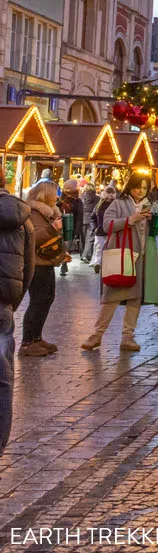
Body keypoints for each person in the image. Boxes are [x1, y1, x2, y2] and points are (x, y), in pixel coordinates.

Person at [82, 174, 154, 353]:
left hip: (140, 257)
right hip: (121, 255)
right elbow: (107, 225)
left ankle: (128, 336)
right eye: (138, 187)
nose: (141, 191)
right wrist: (131, 220)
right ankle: (97, 335)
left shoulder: (149, 205)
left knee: (134, 298)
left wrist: (155, 221)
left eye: (145, 188)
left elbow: (153, 231)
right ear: (130, 187)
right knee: (111, 296)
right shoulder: (118, 204)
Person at [0, 177, 30, 456]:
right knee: (3, 376)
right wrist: (12, 301)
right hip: (3, 303)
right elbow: (29, 269)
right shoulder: (23, 218)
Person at [19, 181, 63, 356]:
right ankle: (27, 342)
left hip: (46, 262)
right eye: (55, 193)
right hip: (36, 264)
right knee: (38, 301)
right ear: (45, 195)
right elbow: (33, 238)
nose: (57, 196)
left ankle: (36, 337)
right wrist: (52, 229)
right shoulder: (33, 213)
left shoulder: (48, 213)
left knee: (47, 299)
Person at [58, 179, 83, 277]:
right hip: (60, 225)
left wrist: (77, 231)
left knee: (66, 246)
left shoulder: (78, 201)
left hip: (70, 227)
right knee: (61, 245)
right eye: (65, 187)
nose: (66, 189)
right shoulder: (61, 198)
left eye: (68, 188)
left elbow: (79, 217)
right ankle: (63, 262)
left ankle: (63, 265)